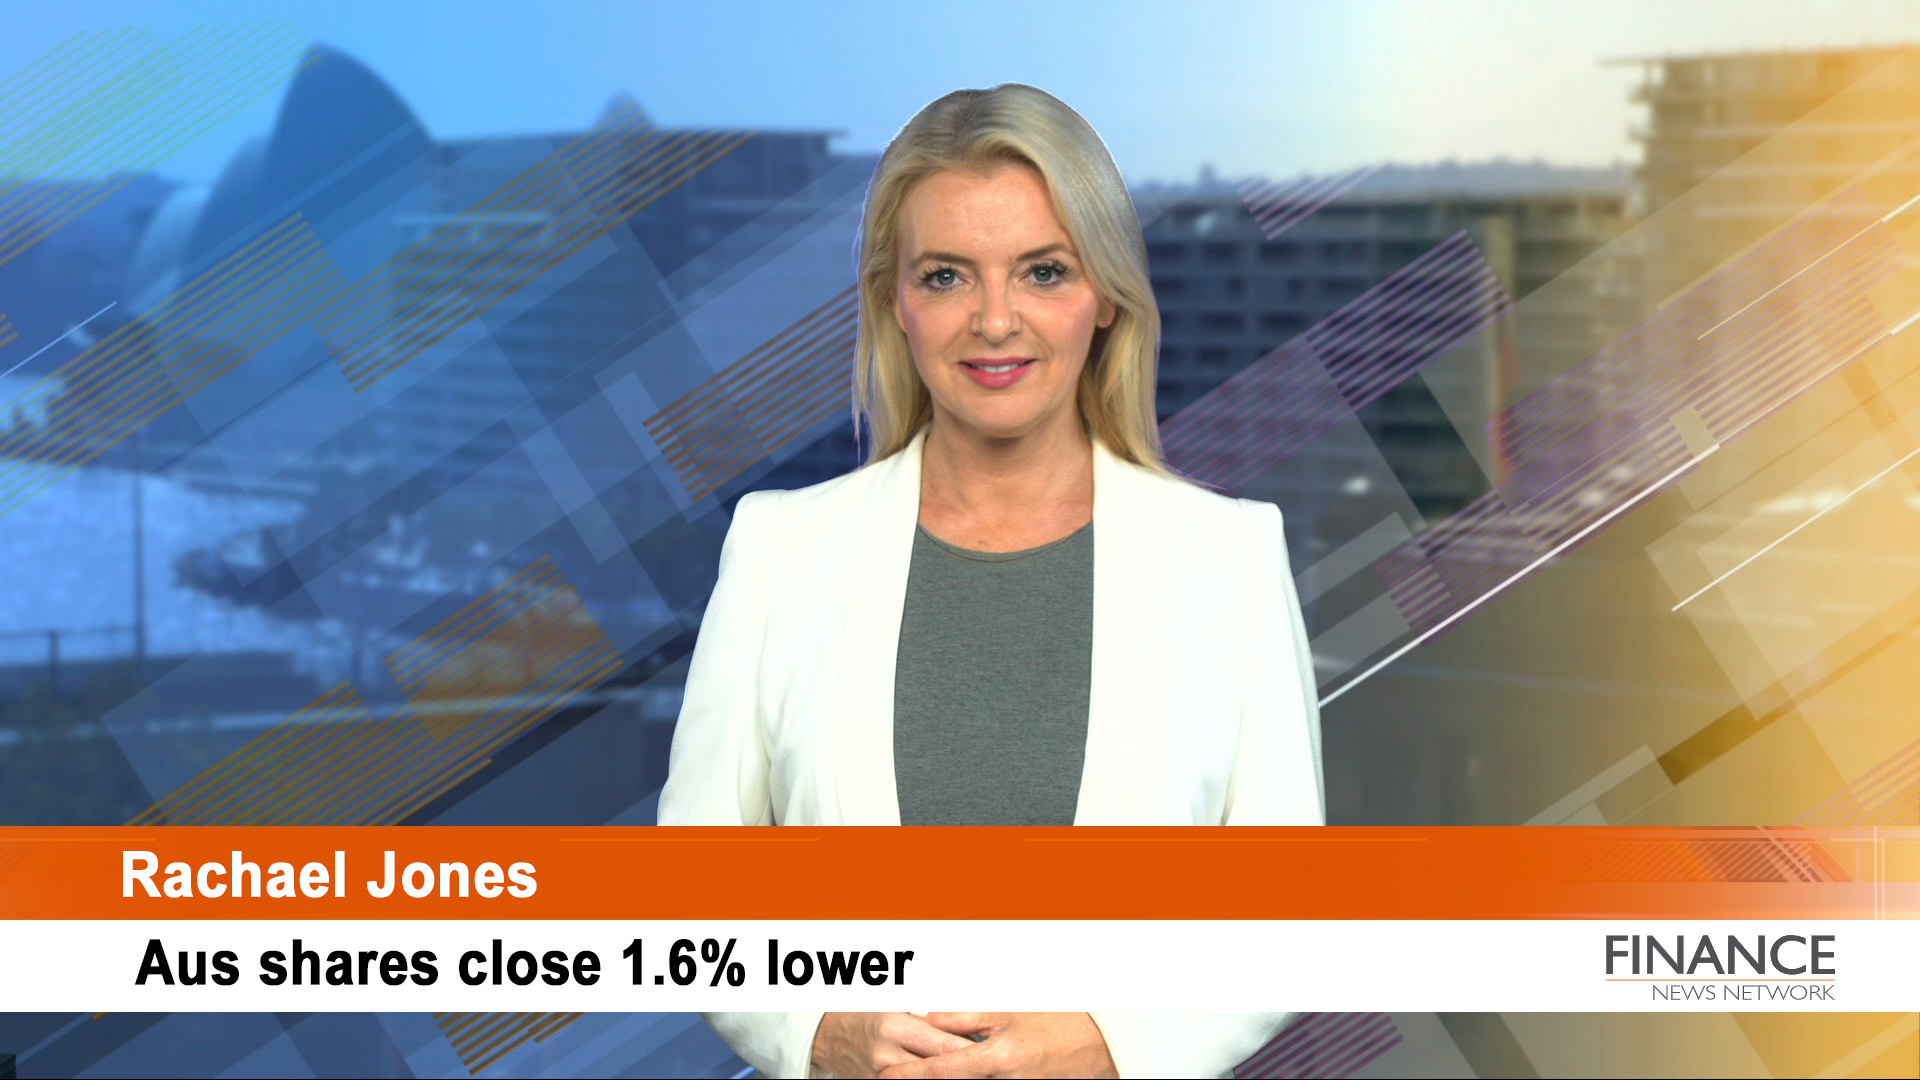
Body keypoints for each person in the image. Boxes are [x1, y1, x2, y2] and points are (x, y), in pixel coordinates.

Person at [657, 83, 1323, 1079]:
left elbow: (1284, 915)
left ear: (1104, 296)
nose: (996, 320)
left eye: (1044, 271)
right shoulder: (781, 548)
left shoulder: (1228, 556)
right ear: (896, 301)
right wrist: (820, 1029)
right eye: (947, 277)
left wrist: (1113, 1042)